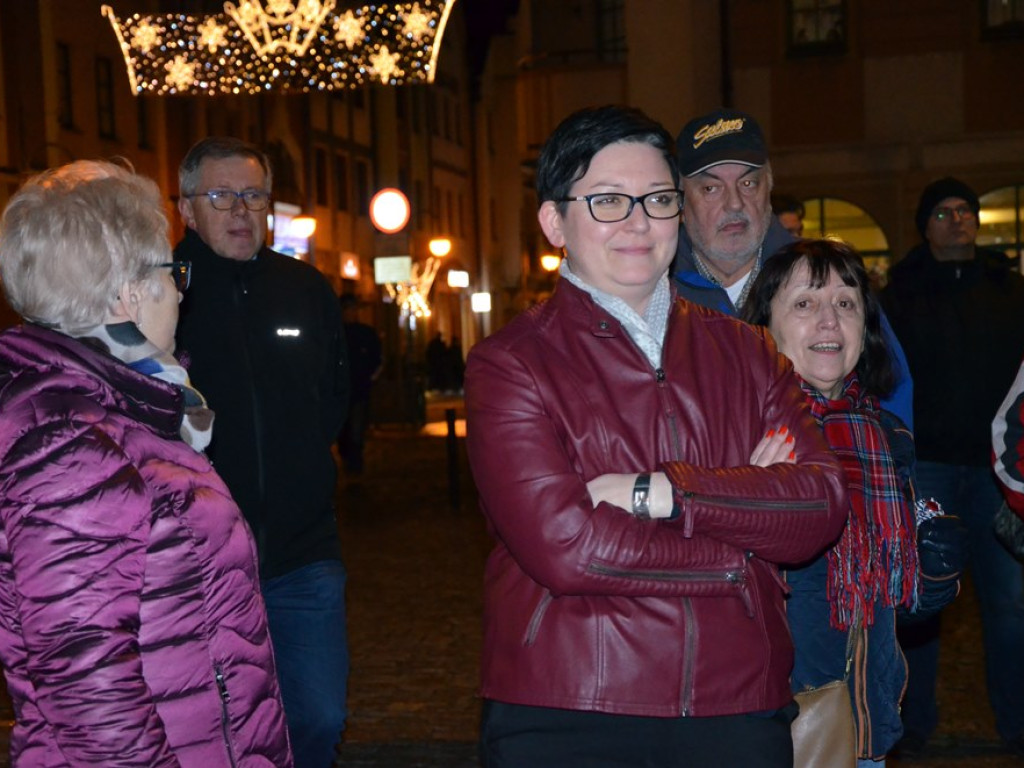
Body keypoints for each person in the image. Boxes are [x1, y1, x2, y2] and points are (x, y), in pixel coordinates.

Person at [466, 104, 849, 768]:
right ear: (555, 222)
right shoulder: (511, 363)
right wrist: (740, 555)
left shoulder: (749, 350)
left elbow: (818, 505)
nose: (639, 221)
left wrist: (666, 494)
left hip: (736, 703)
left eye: (658, 198)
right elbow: (567, 548)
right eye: (609, 200)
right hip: (572, 707)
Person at [0, 160, 292, 767]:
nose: (181, 289)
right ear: (126, 294)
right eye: (172, 271)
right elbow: (86, 679)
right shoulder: (70, 443)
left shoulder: (123, 410)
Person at [742, 239, 964, 766]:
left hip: (866, 722)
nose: (828, 320)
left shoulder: (887, 440)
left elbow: (893, 608)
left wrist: (931, 575)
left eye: (845, 304)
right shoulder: (740, 433)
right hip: (769, 725)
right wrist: (752, 503)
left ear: (865, 329)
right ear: (761, 328)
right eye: (805, 303)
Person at [174, 137, 349, 768]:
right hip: (200, 563)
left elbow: (334, 397)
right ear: (187, 209)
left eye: (252, 194)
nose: (240, 209)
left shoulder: (305, 289)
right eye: (219, 196)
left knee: (319, 714)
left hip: (304, 553)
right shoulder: (165, 296)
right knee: (217, 725)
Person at [881, 176, 1024, 758]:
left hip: (998, 474)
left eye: (964, 210)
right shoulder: (899, 293)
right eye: (943, 212)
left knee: (1011, 604)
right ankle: (915, 725)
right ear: (925, 225)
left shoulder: (1011, 289)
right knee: (920, 604)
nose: (957, 219)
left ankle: (1015, 724)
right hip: (929, 468)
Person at [671, 108, 914, 429]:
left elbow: (889, 390)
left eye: (748, 183)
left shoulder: (830, 278)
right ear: (680, 201)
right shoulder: (656, 294)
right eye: (711, 188)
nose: (734, 204)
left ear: (768, 190)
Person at [338, 295, 382, 476]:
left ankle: (355, 465)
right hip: (340, 391)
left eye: (353, 309)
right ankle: (349, 460)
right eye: (347, 309)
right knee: (343, 430)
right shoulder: (336, 333)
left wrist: (370, 377)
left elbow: (377, 358)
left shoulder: (366, 333)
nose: (351, 313)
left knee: (356, 429)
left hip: (359, 390)